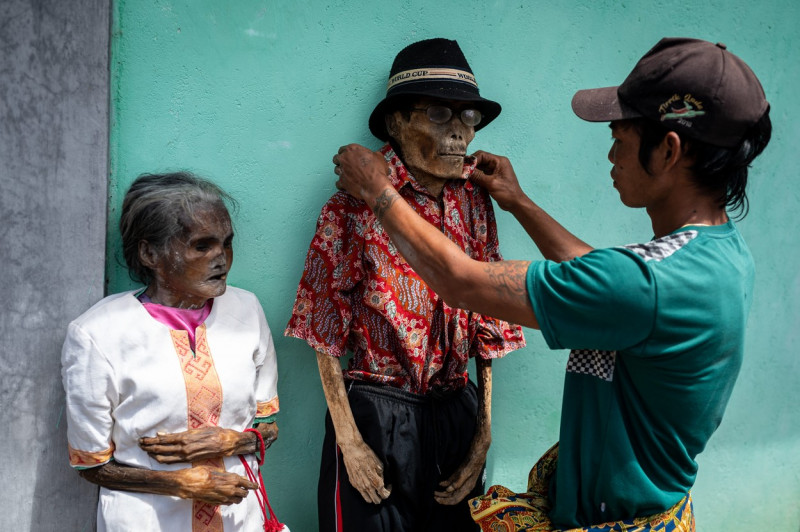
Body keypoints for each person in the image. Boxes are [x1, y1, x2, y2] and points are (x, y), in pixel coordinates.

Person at [332, 37, 771, 530]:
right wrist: (517, 201)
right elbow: (601, 279)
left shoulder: (643, 285)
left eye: (619, 139)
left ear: (668, 151)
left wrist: (378, 191)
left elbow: (461, 282)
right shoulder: (718, 254)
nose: (610, 156)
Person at [285, 38, 525, 531]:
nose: (460, 133)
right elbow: (322, 327)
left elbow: (488, 326)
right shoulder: (353, 203)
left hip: (455, 411)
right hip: (377, 414)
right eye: (440, 114)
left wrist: (483, 437)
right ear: (397, 122)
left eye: (468, 118)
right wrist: (349, 441)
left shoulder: (474, 202)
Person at [61, 172, 284, 531]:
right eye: (202, 246)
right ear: (150, 252)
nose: (221, 258)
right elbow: (90, 464)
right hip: (148, 521)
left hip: (241, 518)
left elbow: (267, 424)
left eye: (226, 243)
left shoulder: (247, 310)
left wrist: (235, 440)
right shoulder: (97, 334)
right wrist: (179, 483)